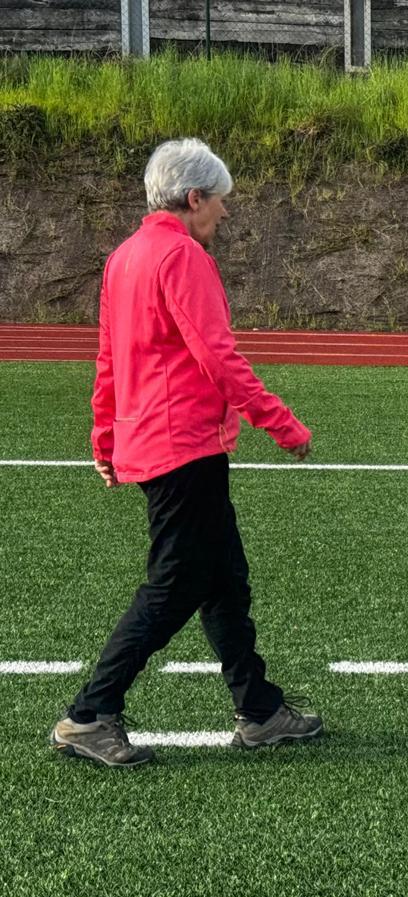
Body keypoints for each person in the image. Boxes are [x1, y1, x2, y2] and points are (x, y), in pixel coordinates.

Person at [51, 138, 323, 768]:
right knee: (175, 583)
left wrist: (105, 437)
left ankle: (259, 710)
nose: (225, 213)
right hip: (183, 446)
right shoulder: (183, 256)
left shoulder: (124, 257)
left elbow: (110, 359)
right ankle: (90, 714)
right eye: (220, 200)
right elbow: (218, 356)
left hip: (156, 439)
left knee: (224, 577)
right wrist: (281, 424)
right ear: (194, 197)